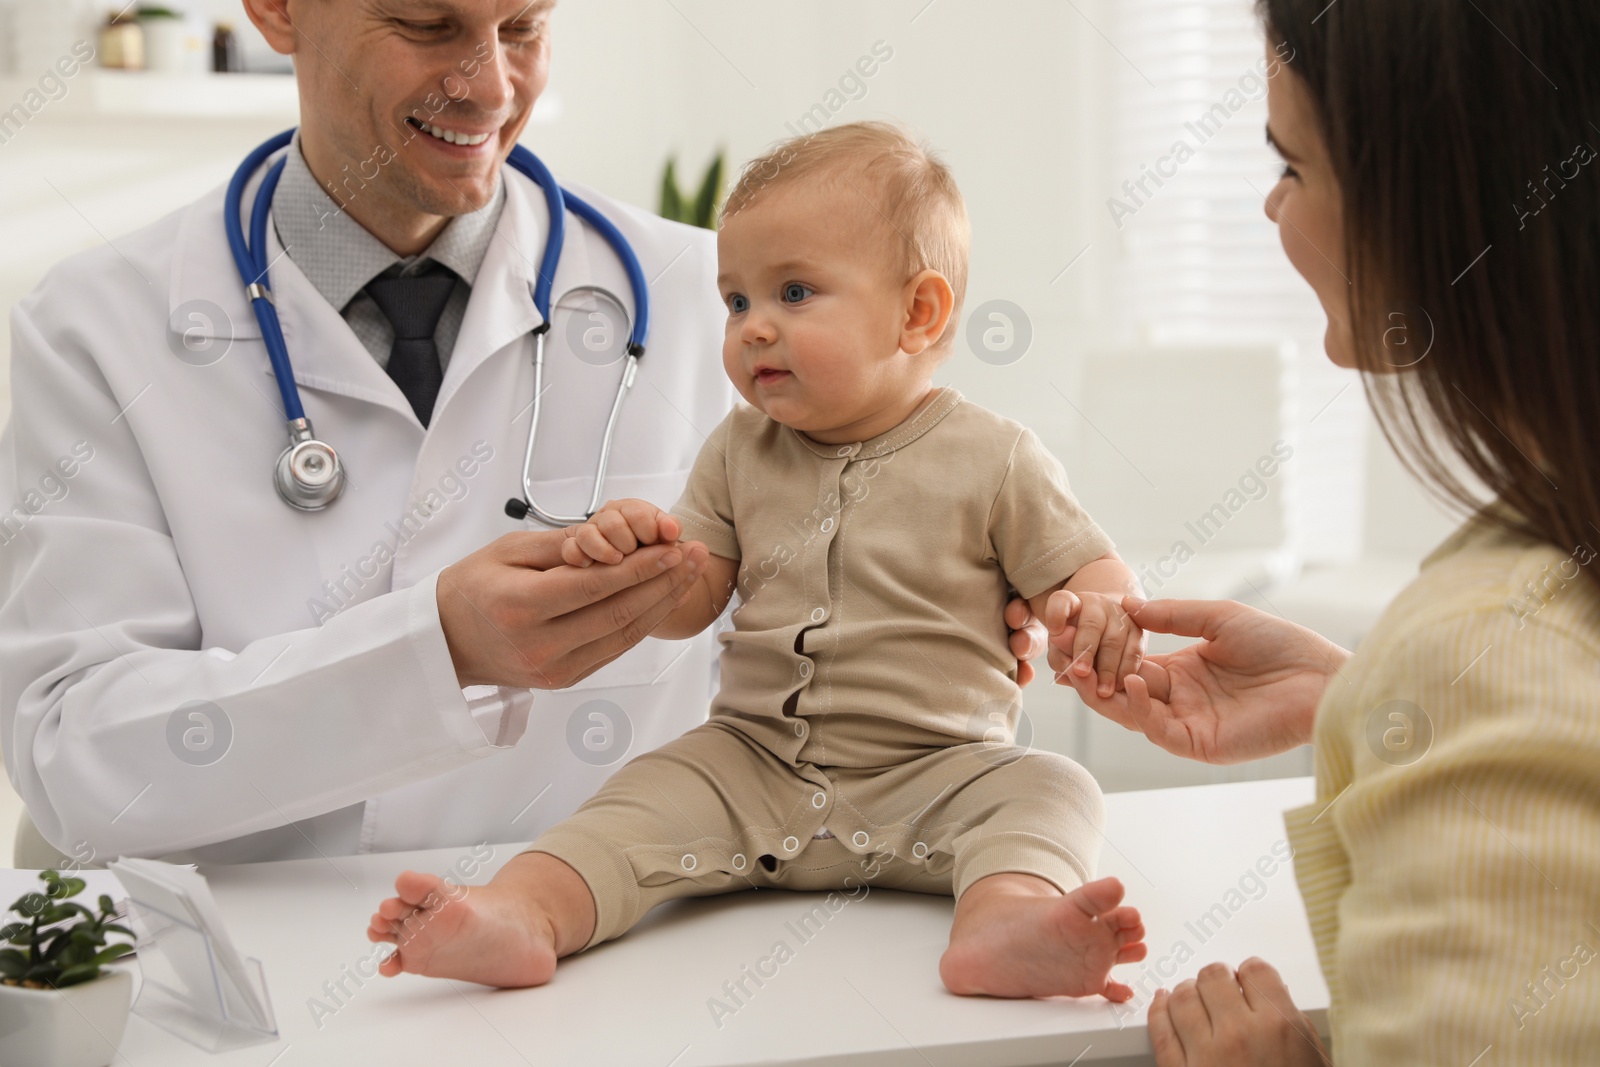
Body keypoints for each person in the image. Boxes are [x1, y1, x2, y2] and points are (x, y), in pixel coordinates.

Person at [0, 0, 1044, 867]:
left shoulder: (710, 305)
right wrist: (438, 648)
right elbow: (73, 760)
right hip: (249, 995)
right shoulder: (96, 326)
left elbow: (849, 652)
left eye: (524, 26)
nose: (492, 87)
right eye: (427, 23)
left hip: (625, 973)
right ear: (276, 11)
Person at [365, 122, 1151, 1000]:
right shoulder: (739, 447)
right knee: (633, 800)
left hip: (940, 771)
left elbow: (1087, 570)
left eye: (795, 293)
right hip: (752, 762)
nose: (753, 329)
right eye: (737, 302)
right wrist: (639, 558)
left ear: (918, 312)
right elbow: (692, 597)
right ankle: (523, 914)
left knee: (1052, 787)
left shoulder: (996, 456)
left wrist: (1102, 612)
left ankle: (1006, 919)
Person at [1055, 0, 1600, 1062]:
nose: (1268, 205)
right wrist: (1373, 707)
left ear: (1435, 204)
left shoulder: (1488, 644)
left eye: (1291, 165)